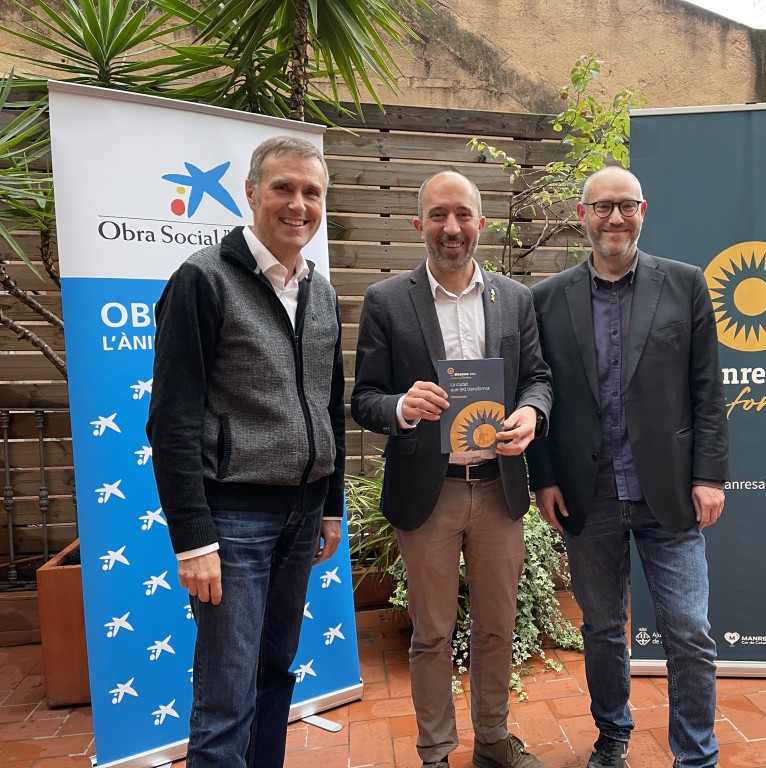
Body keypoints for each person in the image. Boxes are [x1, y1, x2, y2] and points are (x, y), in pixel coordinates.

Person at [147, 136, 345, 768]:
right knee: (226, 695)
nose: (298, 204)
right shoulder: (202, 279)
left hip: (303, 517)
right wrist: (193, 540)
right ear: (252, 193)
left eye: (312, 192)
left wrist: (331, 505)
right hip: (233, 522)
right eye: (284, 188)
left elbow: (329, 405)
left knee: (274, 674)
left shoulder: (320, 291)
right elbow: (171, 422)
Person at [525, 166, 728, 768]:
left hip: (668, 492)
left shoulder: (686, 284)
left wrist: (709, 476)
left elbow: (707, 389)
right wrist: (545, 477)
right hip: (587, 494)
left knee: (689, 631)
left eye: (626, 206)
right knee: (603, 628)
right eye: (602, 206)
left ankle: (696, 754)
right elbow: (536, 388)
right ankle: (612, 735)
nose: (615, 217)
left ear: (644, 211)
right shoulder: (546, 298)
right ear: (582, 215)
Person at [351, 170, 552, 768]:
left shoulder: (514, 299)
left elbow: (538, 377)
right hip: (428, 493)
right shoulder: (388, 300)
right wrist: (401, 406)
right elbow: (364, 399)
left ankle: (492, 740)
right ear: (419, 224)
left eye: (462, 214)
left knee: (497, 627)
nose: (451, 227)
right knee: (432, 631)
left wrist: (531, 413)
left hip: (497, 489)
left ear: (481, 223)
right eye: (438, 214)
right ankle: (435, 752)